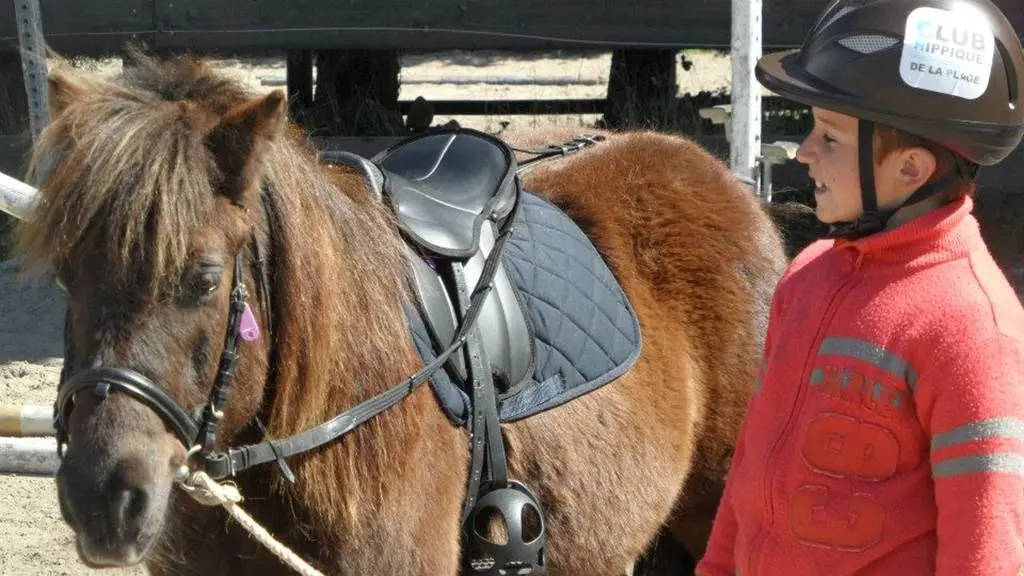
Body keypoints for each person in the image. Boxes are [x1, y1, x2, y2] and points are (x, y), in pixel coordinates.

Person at [695, 0, 1024, 574]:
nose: (804, 153)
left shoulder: (971, 327)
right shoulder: (807, 277)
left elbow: (986, 544)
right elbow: (752, 464)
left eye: (830, 137)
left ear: (911, 171)